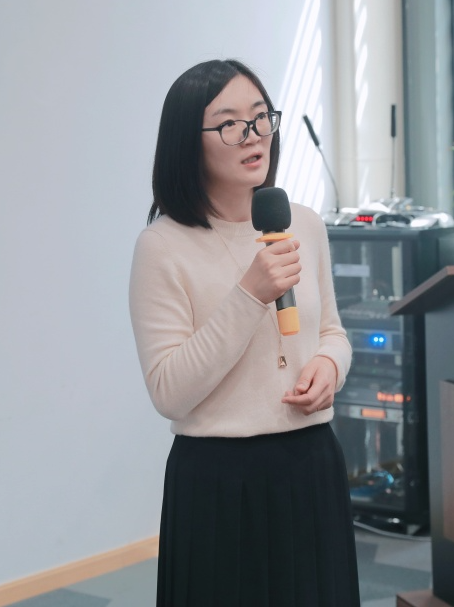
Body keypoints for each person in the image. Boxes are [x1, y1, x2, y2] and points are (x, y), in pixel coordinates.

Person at [128, 59, 360, 606]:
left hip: (310, 463)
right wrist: (250, 294)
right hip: (219, 481)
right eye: (230, 123)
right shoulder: (162, 246)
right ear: (189, 141)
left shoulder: (303, 223)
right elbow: (169, 392)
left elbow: (331, 331)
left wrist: (329, 365)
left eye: (260, 117)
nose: (253, 135)